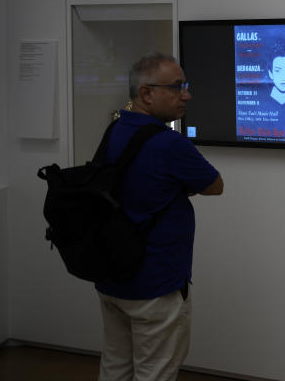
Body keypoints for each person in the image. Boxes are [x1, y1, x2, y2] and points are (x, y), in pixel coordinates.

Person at [96, 52, 223, 381]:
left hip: (111, 276)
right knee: (156, 374)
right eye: (177, 87)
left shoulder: (114, 131)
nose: (187, 95)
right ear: (147, 93)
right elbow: (214, 185)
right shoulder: (169, 143)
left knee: (115, 366)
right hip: (156, 285)